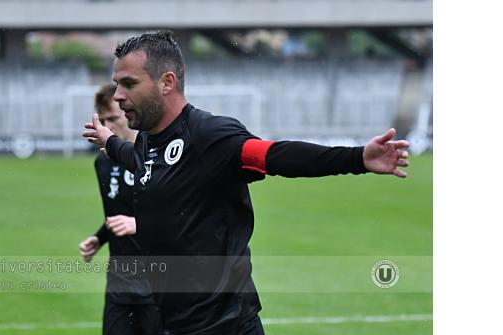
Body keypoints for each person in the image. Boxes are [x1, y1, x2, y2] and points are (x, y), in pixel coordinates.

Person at [82, 31, 410, 335]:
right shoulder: (146, 143)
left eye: (128, 83)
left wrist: (358, 159)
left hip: (223, 325)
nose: (119, 96)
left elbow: (275, 155)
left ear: (167, 82)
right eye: (117, 84)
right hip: (170, 322)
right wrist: (109, 141)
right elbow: (137, 159)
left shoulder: (208, 135)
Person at [78, 84, 160, 335]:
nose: (105, 126)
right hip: (119, 284)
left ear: (129, 113)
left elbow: (179, 215)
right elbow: (116, 213)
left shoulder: (155, 158)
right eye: (101, 120)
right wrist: (99, 238)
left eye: (112, 118)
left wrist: (139, 224)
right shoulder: (102, 162)